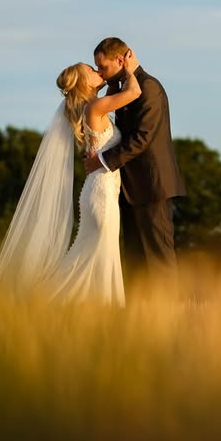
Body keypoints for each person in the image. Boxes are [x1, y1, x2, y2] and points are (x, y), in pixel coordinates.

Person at [0, 62, 140, 306]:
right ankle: (45, 302)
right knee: (100, 254)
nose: (98, 71)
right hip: (102, 193)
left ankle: (57, 304)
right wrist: (127, 65)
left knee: (90, 253)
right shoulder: (95, 107)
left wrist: (110, 79)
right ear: (83, 82)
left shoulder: (93, 106)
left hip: (101, 190)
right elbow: (134, 93)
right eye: (91, 70)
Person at [84, 37, 186, 281]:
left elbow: (143, 137)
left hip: (152, 187)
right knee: (135, 262)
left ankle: (168, 315)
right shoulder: (123, 89)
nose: (100, 71)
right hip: (128, 189)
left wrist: (102, 160)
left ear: (121, 60)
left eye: (103, 66)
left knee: (159, 260)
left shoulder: (148, 87)